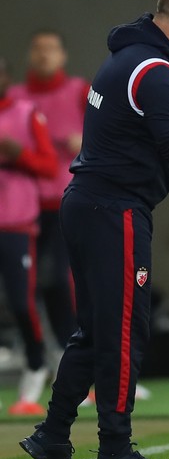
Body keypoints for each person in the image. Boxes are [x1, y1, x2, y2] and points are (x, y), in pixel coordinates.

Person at [19, 0, 169, 459]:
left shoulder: (126, 57)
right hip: (114, 211)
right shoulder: (153, 72)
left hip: (88, 204)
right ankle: (115, 449)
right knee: (124, 331)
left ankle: (52, 436)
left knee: (95, 331)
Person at [9, 30, 89, 374]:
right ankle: (39, 357)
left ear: (63, 56)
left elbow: (117, 129)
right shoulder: (15, 98)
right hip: (22, 209)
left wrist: (85, 141)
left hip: (65, 202)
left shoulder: (80, 92)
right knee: (21, 288)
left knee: (63, 280)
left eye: (51, 49)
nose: (44, 55)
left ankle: (78, 357)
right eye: (38, 49)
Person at [0, 57, 58, 414]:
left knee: (22, 301)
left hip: (16, 224)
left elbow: (50, 166)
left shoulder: (25, 113)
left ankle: (37, 364)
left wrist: (18, 154)